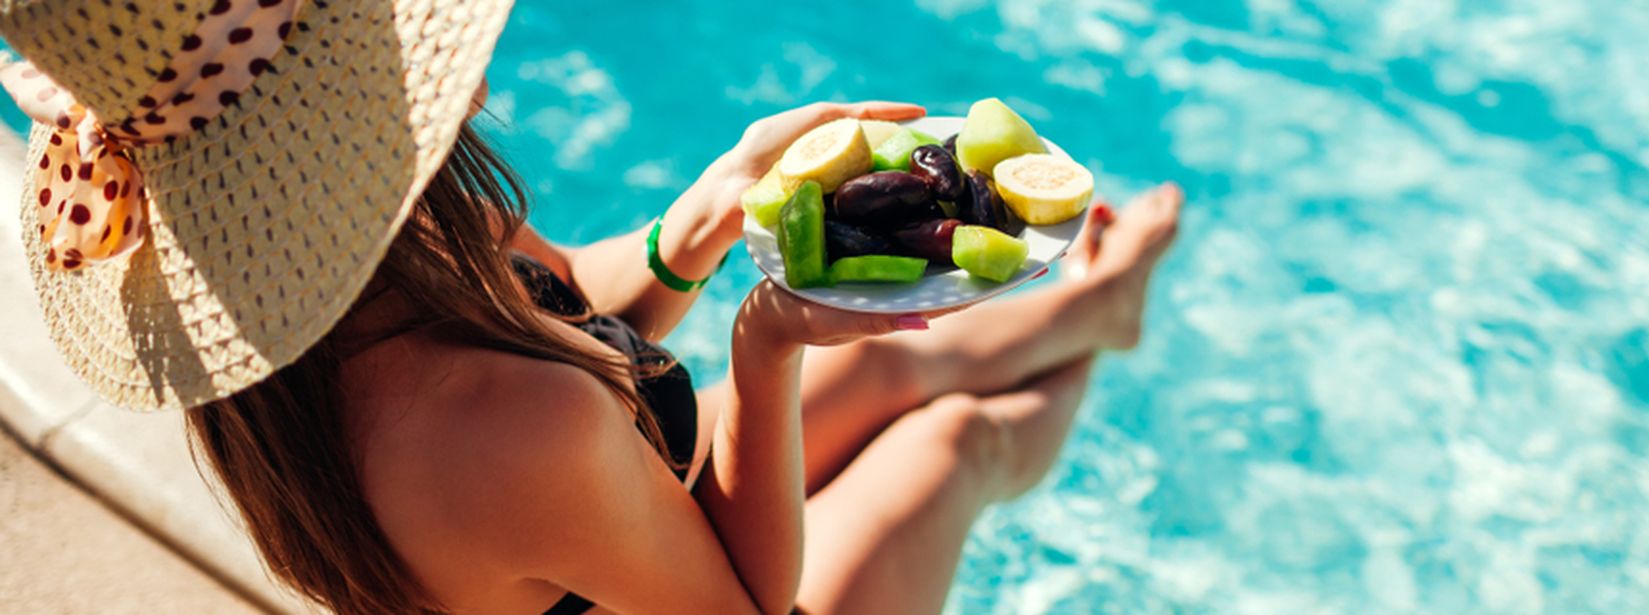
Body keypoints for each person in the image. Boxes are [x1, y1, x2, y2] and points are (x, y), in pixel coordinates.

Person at [0, 1, 1180, 613]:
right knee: (953, 443)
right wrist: (762, 350)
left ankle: (1097, 303)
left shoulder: (316, 291)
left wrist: (705, 214)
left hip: (615, 533)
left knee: (872, 371)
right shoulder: (508, 432)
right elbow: (745, 607)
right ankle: (1099, 330)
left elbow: (556, 301)